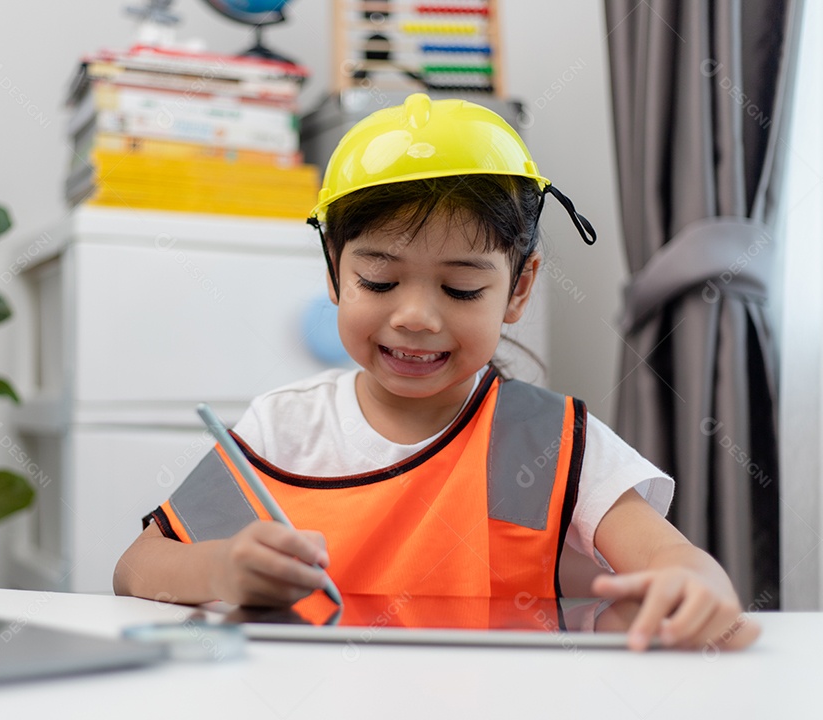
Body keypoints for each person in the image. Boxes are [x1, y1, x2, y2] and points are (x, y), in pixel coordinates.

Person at [114, 94, 759, 651]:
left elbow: (673, 557)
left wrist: (694, 583)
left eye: (460, 289)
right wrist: (224, 569)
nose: (416, 317)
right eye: (380, 280)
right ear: (335, 273)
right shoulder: (283, 426)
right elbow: (138, 569)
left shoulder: (545, 438)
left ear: (518, 288)